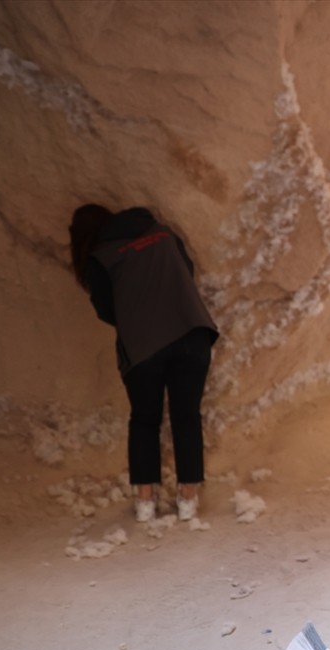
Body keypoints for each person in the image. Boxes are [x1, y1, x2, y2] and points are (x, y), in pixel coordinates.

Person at [69, 205, 219, 523]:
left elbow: (108, 310)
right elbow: (185, 272)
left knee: (144, 421)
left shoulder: (100, 256)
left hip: (143, 348)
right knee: (187, 417)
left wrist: (141, 311)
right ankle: (188, 501)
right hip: (192, 332)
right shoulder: (163, 233)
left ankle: (145, 503)